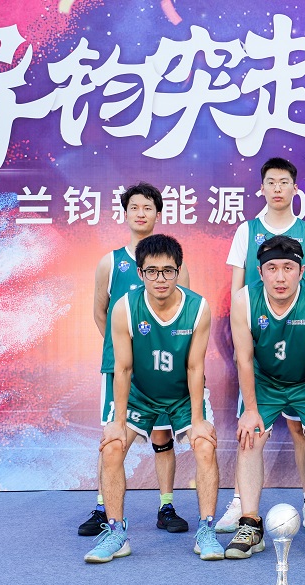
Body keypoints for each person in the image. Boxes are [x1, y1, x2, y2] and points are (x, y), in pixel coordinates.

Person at [84, 234, 222, 563]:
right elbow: (123, 367)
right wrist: (117, 423)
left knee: (205, 444)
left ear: (178, 271)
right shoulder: (124, 308)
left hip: (182, 394)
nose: (161, 279)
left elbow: (195, 366)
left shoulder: (198, 308)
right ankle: (116, 533)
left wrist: (198, 420)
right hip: (140, 395)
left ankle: (206, 530)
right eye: (152, 271)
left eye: (168, 271)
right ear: (140, 272)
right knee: (112, 447)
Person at [217, 157, 305, 535]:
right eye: (271, 182)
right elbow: (236, 288)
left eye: (284, 182)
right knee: (250, 430)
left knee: (303, 430)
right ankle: (240, 504)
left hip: (296, 343)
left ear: (295, 188)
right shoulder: (246, 231)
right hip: (258, 340)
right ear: (261, 188)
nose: (277, 188)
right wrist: (238, 336)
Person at [79, 183, 191, 538]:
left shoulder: (174, 265)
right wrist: (123, 351)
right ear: (125, 214)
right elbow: (100, 312)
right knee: (113, 436)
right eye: (134, 208)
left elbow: (186, 315)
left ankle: (166, 506)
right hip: (120, 368)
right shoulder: (110, 262)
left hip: (162, 368)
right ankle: (103, 508)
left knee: (162, 435)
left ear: (158, 214)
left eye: (148, 208)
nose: (141, 214)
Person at [228, 235, 305, 559]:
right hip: (264, 380)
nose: (280, 277)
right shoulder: (244, 301)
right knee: (250, 437)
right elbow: (244, 360)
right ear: (260, 272)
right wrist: (251, 410)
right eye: (272, 268)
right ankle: (250, 524)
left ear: (301, 271)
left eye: (288, 268)